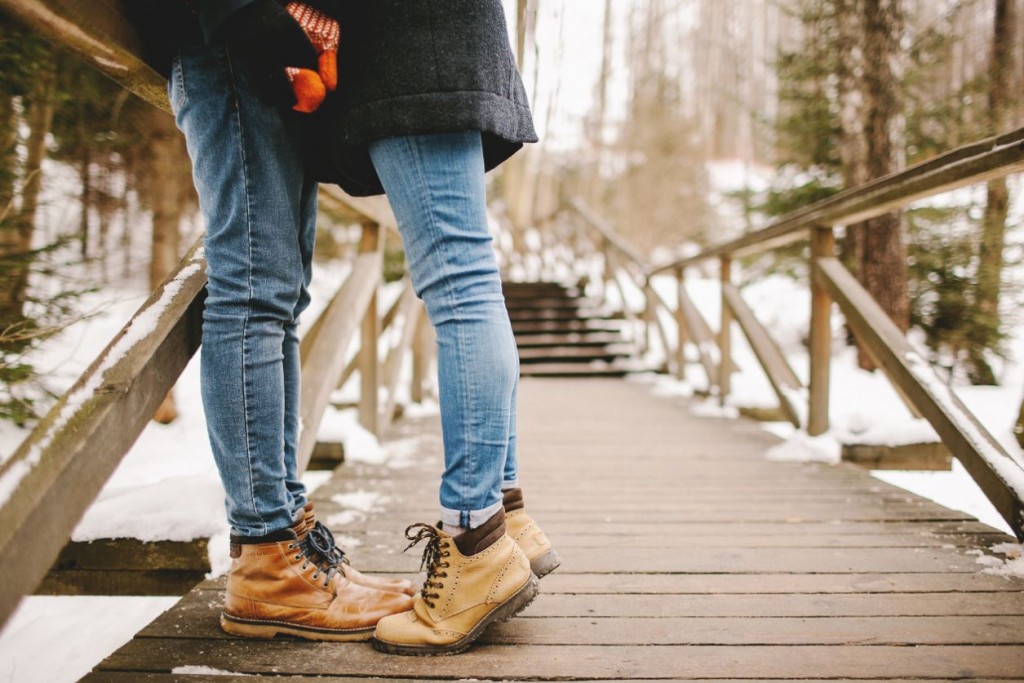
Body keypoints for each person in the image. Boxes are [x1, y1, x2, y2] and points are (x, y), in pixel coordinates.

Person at [134, 0, 558, 654]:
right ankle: (273, 552)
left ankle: (295, 546)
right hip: (229, 30)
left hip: (283, 41)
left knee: (278, 290)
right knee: (259, 288)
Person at [312, 0, 561, 655]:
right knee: (471, 283)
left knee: (459, 288)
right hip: (443, 40)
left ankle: (476, 544)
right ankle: (503, 518)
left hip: (409, 42)